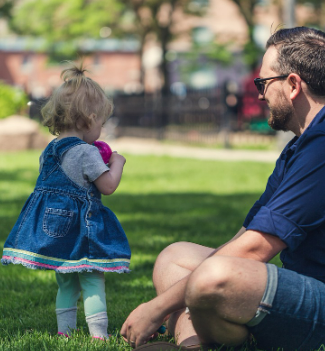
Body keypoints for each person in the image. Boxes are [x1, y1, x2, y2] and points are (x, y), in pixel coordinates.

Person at [121, 26, 325, 351]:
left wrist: (159, 307)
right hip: (301, 285)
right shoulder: (300, 146)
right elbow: (245, 236)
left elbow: (256, 249)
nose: (259, 94)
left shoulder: (321, 147)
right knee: (175, 258)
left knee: (213, 278)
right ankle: (193, 346)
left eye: (264, 82)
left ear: (293, 85)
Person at [1, 63, 131, 340]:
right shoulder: (86, 152)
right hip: (80, 231)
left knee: (67, 283)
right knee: (93, 278)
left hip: (54, 230)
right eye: (101, 123)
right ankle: (99, 335)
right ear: (89, 120)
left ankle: (65, 333)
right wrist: (117, 162)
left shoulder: (50, 149)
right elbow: (107, 186)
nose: (101, 130)